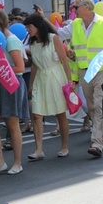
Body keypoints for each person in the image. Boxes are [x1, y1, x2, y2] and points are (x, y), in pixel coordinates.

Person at [53, 0, 103, 158]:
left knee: (98, 105)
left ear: (87, 7)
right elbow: (58, 34)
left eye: (76, 7)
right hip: (84, 72)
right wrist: (42, 21)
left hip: (100, 70)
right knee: (91, 107)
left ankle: (97, 143)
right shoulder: (75, 24)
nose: (73, 10)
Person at [0, 9, 28, 175]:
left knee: (12, 123)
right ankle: (0, 160)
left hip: (11, 83)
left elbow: (20, 67)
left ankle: (17, 163)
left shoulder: (11, 40)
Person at [23, 13, 72, 159]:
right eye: (27, 27)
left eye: (30, 26)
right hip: (40, 79)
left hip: (56, 77)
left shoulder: (53, 39)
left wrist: (70, 83)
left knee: (60, 114)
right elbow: (35, 66)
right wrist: (30, 84)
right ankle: (39, 150)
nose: (28, 29)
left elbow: (64, 61)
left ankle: (64, 147)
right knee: (37, 115)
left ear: (38, 26)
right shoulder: (32, 43)